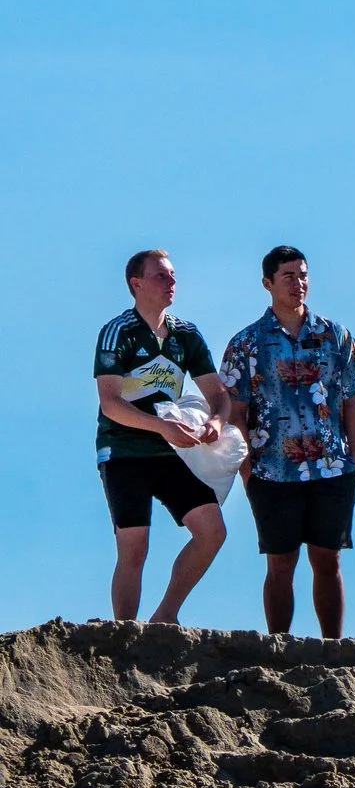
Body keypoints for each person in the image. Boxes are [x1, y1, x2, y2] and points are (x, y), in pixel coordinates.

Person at [219, 246, 355, 637]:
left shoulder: (334, 336)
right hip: (272, 469)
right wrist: (247, 471)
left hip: (332, 466)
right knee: (280, 562)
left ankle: (332, 647)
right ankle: (279, 647)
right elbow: (235, 413)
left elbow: (353, 402)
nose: (298, 283)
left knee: (328, 558)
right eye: (288, 276)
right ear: (267, 283)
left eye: (303, 275)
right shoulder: (246, 343)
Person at [95, 250, 235, 624]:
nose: (171, 282)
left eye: (172, 275)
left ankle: (165, 616)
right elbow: (110, 403)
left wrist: (216, 424)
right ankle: (123, 634)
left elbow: (219, 395)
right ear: (136, 284)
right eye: (161, 276)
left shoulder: (185, 334)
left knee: (212, 530)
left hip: (170, 452)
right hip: (123, 450)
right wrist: (162, 427)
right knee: (134, 546)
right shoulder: (117, 332)